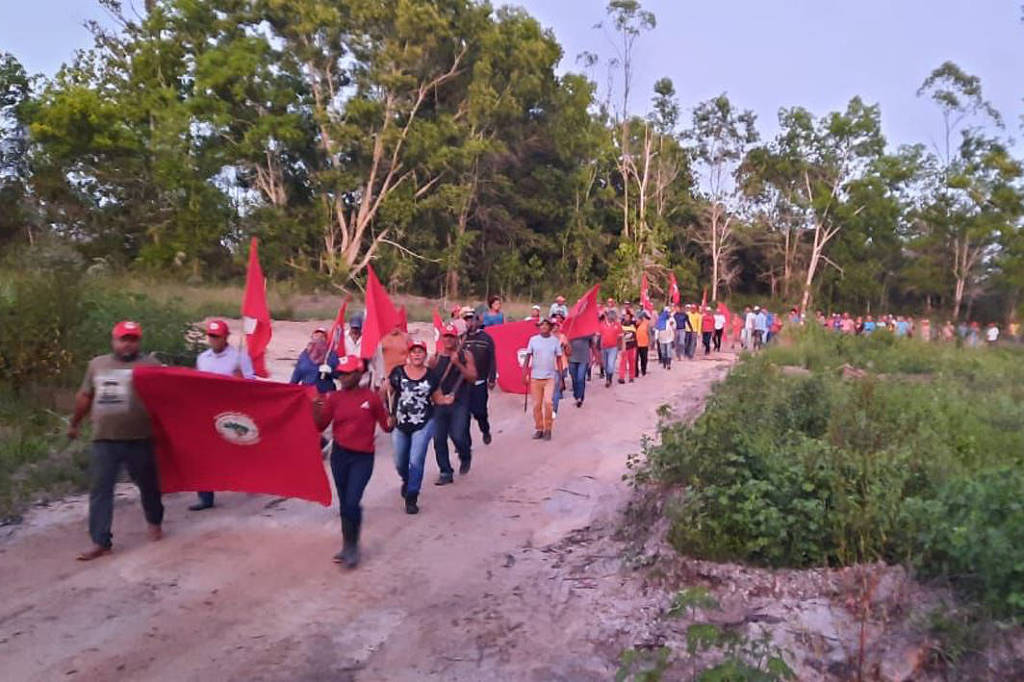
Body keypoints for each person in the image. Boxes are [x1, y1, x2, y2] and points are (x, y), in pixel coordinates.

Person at [69, 321, 164, 561]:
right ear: (114, 340)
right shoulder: (97, 365)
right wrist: (75, 423)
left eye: (133, 339)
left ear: (139, 342)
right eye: (123, 339)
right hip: (105, 439)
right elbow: (84, 395)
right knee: (101, 490)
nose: (128, 344)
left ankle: (154, 522)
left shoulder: (151, 365)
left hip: (140, 437)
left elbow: (169, 395)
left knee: (149, 485)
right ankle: (100, 541)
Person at [314, 355, 393, 567]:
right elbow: (320, 426)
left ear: (358, 375)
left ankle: (353, 547)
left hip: (363, 457)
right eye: (340, 373)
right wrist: (316, 409)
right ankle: (348, 545)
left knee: (352, 502)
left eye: (347, 373)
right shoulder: (333, 398)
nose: (343, 377)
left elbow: (386, 426)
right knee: (345, 504)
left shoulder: (372, 398)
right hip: (340, 456)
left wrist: (391, 414)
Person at [191, 319, 256, 511]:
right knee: (203, 453)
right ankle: (205, 496)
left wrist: (240, 380)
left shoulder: (239, 357)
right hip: (207, 409)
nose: (213, 340)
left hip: (232, 411)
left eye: (216, 336)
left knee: (237, 449)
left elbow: (252, 383)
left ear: (225, 337)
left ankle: (250, 481)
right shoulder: (203, 358)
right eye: (210, 336)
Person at [386, 339, 438, 515]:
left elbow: (437, 398)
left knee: (416, 460)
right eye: (413, 351)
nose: (417, 354)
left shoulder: (431, 375)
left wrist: (448, 400)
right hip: (400, 424)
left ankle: (412, 497)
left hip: (423, 423)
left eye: (420, 351)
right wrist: (387, 414)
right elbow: (386, 394)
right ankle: (406, 480)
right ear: (408, 354)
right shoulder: (398, 373)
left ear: (425, 354)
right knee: (400, 462)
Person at [430, 324, 477, 485]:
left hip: (460, 402)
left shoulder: (465, 355)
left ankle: (465, 455)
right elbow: (429, 380)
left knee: (458, 435)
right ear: (442, 338)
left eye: (451, 336)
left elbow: (472, 377)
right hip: (440, 403)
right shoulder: (435, 357)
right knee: (438, 439)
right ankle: (445, 471)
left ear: (456, 338)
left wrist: (458, 364)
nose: (448, 339)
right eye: (446, 336)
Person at [522, 317, 564, 440]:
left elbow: (559, 359)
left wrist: (561, 378)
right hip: (535, 377)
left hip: (550, 377)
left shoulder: (555, 341)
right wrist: (524, 374)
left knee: (548, 403)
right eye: (541, 325)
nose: (543, 327)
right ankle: (539, 428)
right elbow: (527, 357)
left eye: (546, 325)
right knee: (536, 405)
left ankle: (548, 429)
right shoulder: (533, 340)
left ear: (550, 327)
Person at [461, 308, 496, 446]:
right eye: (466, 320)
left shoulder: (486, 339)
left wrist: (492, 378)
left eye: (471, 319)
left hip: (480, 382)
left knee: (480, 412)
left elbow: (492, 359)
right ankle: (465, 444)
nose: (469, 323)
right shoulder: (461, 339)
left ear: (477, 321)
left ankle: (485, 430)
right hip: (463, 384)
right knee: (463, 416)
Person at [290, 327, 340, 394]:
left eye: (322, 337)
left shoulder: (331, 355)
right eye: (316, 336)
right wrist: (290, 390)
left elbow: (339, 376)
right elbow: (296, 375)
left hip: (325, 393)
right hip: (306, 393)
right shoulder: (304, 355)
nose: (318, 339)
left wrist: (331, 371)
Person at [567, 329, 593, 407]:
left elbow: (592, 345)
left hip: (584, 359)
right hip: (572, 359)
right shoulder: (570, 331)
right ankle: (576, 394)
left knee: (581, 378)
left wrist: (592, 359)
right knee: (574, 378)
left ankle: (580, 398)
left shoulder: (588, 333)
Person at [599, 311, 622, 388]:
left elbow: (620, 337)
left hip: (613, 347)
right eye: (611, 318)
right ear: (607, 317)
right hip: (604, 348)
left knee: (611, 364)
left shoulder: (617, 325)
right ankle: (607, 378)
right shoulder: (602, 325)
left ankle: (609, 379)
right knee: (605, 365)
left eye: (614, 318)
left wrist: (620, 347)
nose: (612, 319)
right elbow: (598, 336)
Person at [618, 310, 638, 383]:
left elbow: (638, 321)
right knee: (622, 362)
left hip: (632, 346)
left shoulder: (634, 324)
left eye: (628, 316)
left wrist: (632, 313)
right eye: (625, 316)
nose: (626, 317)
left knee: (631, 362)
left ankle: (631, 377)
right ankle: (621, 377)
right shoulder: (621, 324)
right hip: (624, 346)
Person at [636, 311, 651, 376]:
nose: (638, 320)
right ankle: (635, 373)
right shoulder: (635, 325)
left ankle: (643, 371)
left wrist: (649, 343)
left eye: (639, 318)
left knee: (644, 359)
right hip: (636, 345)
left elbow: (649, 334)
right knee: (635, 359)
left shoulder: (646, 324)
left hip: (644, 344)